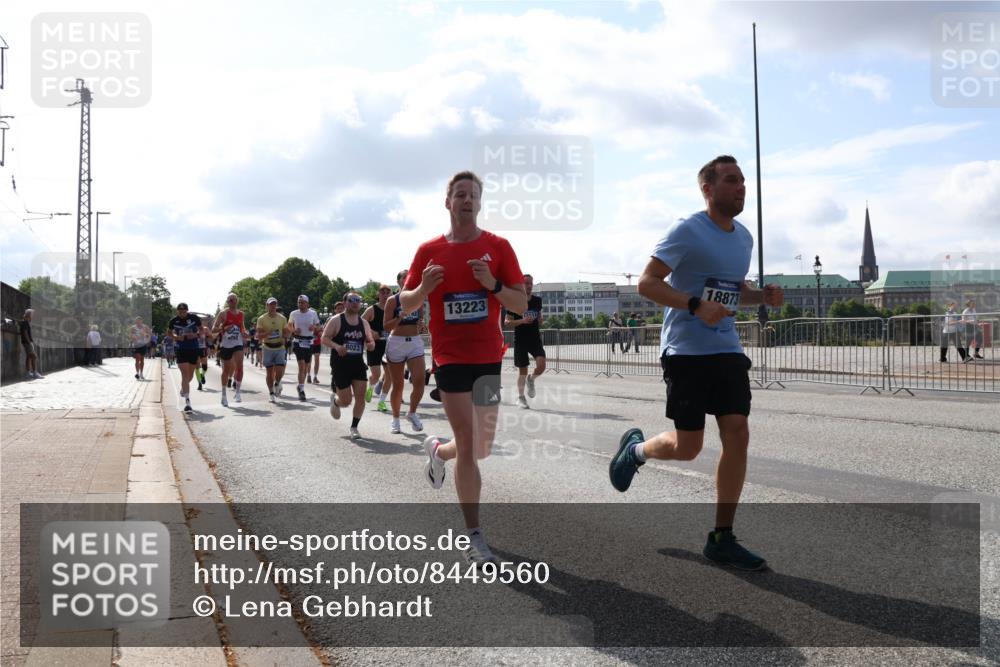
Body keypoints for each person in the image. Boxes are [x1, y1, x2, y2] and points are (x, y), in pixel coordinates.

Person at [609, 155, 784, 571]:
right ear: (707, 188)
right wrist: (694, 305)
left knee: (737, 432)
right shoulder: (687, 230)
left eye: (743, 180)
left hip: (726, 348)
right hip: (686, 351)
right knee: (689, 448)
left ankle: (722, 537)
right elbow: (647, 283)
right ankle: (635, 450)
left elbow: (735, 290)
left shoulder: (744, 238)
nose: (741, 187)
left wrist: (761, 296)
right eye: (731, 180)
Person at [401, 170, 527, 565]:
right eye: (460, 194)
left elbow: (520, 304)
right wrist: (423, 289)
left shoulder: (498, 247)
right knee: (469, 443)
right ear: (448, 202)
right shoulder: (429, 250)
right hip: (450, 357)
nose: (467, 200)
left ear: (480, 202)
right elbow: (404, 304)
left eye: (473, 194)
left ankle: (438, 452)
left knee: (481, 446)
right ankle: (475, 536)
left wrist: (492, 285)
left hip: (488, 357)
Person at [322, 291, 376, 438]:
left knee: (360, 397)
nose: (355, 303)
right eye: (352, 300)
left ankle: (354, 427)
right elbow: (324, 338)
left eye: (358, 300)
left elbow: (370, 342)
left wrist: (371, 345)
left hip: (357, 364)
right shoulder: (336, 320)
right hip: (340, 365)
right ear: (345, 303)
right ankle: (336, 402)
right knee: (346, 401)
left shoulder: (364, 323)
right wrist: (337, 347)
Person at [383, 274, 427, 435]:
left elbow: (420, 320)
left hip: (414, 342)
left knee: (420, 381)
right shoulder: (392, 301)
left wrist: (422, 324)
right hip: (397, 342)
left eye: (410, 276)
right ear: (399, 281)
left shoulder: (418, 298)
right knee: (398, 384)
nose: (408, 279)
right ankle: (395, 419)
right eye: (404, 277)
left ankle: (412, 413)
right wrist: (398, 318)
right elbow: (386, 326)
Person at [505, 273, 546, 409]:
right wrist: (522, 321)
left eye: (530, 283)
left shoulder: (537, 301)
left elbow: (539, 316)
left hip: (535, 339)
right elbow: (507, 322)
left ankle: (531, 379)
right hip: (521, 340)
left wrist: (540, 320)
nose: (529, 286)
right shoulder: (514, 302)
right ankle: (521, 398)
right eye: (526, 283)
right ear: (521, 285)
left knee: (541, 365)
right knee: (522, 372)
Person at [212, 293, 248, 406]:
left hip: (238, 343)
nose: (231, 302)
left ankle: (237, 392)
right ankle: (223, 395)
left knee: (240, 366)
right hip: (226, 345)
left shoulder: (241, 314)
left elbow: (242, 328)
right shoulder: (223, 313)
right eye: (229, 300)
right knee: (226, 371)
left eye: (233, 300)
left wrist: (244, 333)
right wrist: (224, 327)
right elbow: (213, 329)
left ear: (237, 301)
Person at [168, 303, 202, 413]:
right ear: (177, 311)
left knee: (190, 376)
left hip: (193, 348)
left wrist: (195, 335)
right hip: (181, 349)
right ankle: (188, 402)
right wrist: (177, 337)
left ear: (187, 310)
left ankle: (183, 389)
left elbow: (202, 330)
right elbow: (169, 333)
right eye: (180, 311)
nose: (182, 313)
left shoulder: (194, 318)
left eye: (184, 311)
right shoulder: (174, 321)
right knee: (184, 374)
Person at [288, 294, 322, 401]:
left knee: (306, 367)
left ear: (307, 303)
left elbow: (319, 326)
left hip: (309, 342)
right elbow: (289, 325)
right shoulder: (294, 313)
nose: (300, 304)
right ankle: (302, 390)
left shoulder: (313, 313)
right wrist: (294, 330)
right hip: (298, 341)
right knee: (301, 366)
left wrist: (314, 327)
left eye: (302, 302)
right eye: (299, 302)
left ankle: (300, 386)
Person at [363, 284, 392, 403]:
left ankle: (381, 402)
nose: (385, 295)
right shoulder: (372, 309)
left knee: (390, 375)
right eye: (382, 293)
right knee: (376, 375)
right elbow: (359, 323)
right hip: (374, 346)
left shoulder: (393, 309)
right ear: (378, 295)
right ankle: (370, 387)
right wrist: (370, 332)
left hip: (389, 346)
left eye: (387, 293)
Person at [257, 297, 290, 402]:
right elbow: (258, 335)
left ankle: (277, 383)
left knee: (280, 370)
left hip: (279, 347)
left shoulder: (282, 318)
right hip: (267, 347)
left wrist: (287, 333)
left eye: (274, 304)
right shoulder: (262, 319)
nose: (273, 306)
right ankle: (271, 392)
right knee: (269, 372)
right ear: (267, 306)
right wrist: (268, 333)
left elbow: (286, 332)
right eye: (271, 304)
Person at [19, 309, 42, 379]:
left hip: (26, 342)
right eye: (32, 315)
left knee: (29, 357)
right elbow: (25, 333)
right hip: (27, 342)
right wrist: (29, 342)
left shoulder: (25, 322)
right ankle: (34, 373)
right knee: (34, 356)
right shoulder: (25, 322)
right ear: (29, 315)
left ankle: (28, 373)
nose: (32, 316)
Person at [309, 317, 324, 384]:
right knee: (309, 360)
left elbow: (322, 332)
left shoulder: (319, 322)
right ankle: (309, 375)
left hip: (317, 343)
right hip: (309, 343)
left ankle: (315, 376)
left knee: (317, 359)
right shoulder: (308, 321)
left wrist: (320, 332)